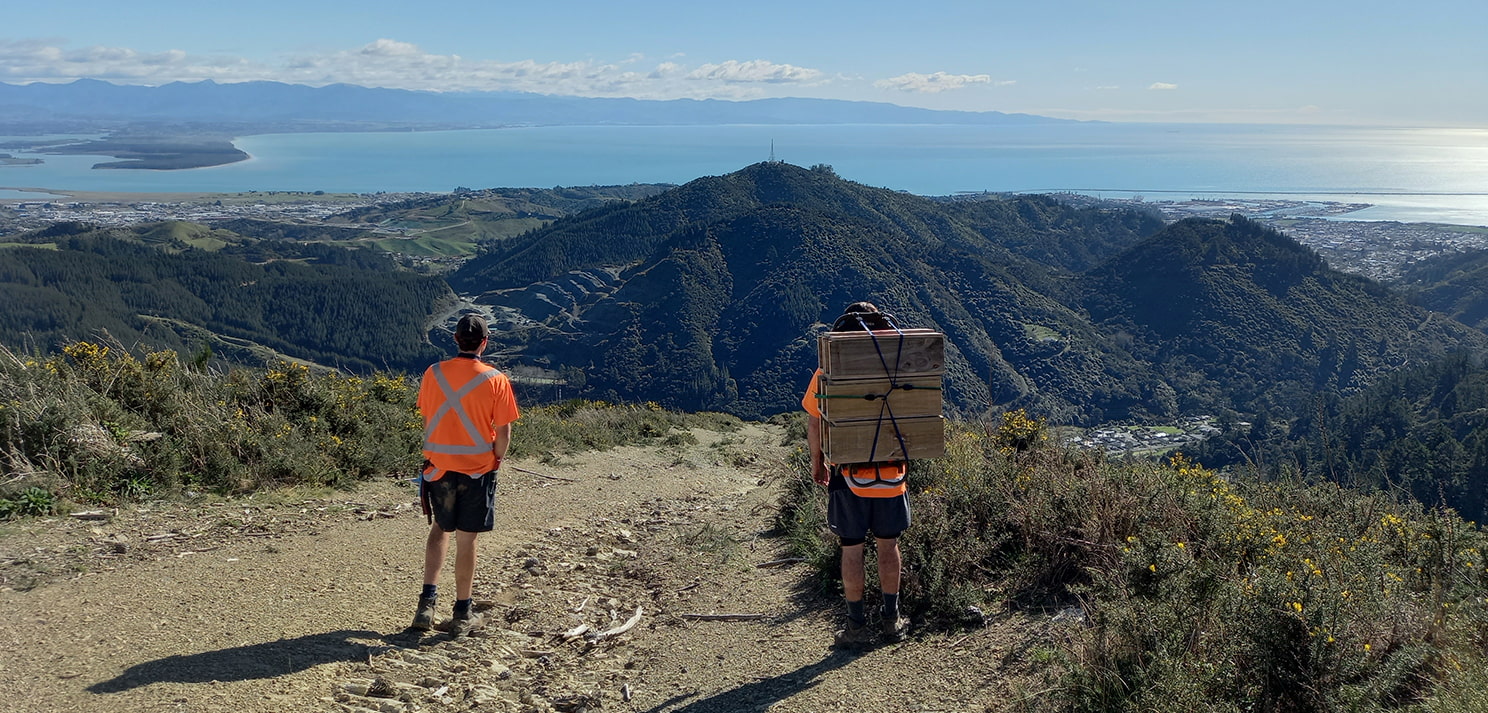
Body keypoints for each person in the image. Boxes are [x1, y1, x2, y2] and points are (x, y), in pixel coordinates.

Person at [803, 302, 911, 647]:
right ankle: (892, 621)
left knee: (851, 549)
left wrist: (818, 463)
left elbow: (815, 421)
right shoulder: (901, 368)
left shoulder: (828, 370)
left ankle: (856, 627)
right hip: (892, 473)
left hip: (848, 476)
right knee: (888, 544)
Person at [412, 314, 520, 636]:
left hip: (438, 467)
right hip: (478, 471)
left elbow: (427, 416)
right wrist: (497, 459)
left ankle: (426, 605)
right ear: (484, 343)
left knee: (438, 530)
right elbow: (504, 432)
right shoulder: (496, 379)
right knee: (466, 539)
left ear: (456, 339)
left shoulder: (433, 374)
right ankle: (462, 612)